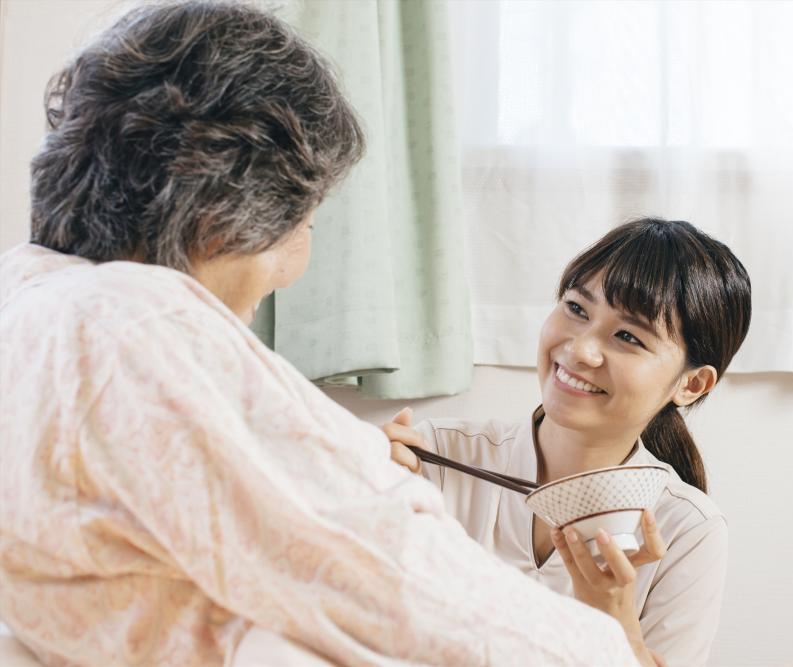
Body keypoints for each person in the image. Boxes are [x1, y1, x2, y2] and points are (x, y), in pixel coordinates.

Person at [0, 3, 651, 665]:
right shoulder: (136, 320)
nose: (294, 267)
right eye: (305, 224)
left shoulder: (30, 300)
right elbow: (390, 572)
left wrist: (347, 458)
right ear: (223, 218)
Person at [384, 218, 752, 667]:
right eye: (577, 309)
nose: (580, 350)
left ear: (692, 383)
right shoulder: (435, 455)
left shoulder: (687, 529)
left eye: (628, 336)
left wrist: (614, 619)